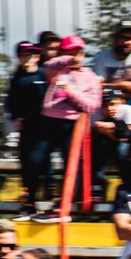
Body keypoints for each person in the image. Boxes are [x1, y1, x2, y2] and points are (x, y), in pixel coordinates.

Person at [34, 35, 101, 222]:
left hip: (72, 123)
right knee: (35, 159)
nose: (75, 56)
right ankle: (37, 197)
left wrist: (72, 92)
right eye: (71, 52)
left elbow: (92, 105)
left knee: (72, 165)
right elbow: (48, 66)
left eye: (78, 52)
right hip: (49, 119)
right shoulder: (56, 70)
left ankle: (63, 206)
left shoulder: (90, 77)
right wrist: (68, 61)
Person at [6, 42, 50, 218]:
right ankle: (29, 202)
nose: (26, 58)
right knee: (27, 163)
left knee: (42, 162)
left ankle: (49, 201)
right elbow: (11, 102)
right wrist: (15, 117)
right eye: (22, 55)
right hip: (27, 127)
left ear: (37, 57)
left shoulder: (44, 74)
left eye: (29, 55)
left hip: (44, 126)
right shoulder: (17, 78)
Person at [90, 20, 131, 126]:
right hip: (108, 101)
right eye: (122, 38)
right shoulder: (102, 57)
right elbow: (96, 86)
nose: (126, 43)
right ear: (115, 38)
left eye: (130, 39)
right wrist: (123, 87)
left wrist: (119, 85)